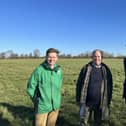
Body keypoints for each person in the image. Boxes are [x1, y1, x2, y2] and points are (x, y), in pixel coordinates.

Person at [76, 49, 113, 126]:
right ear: (92, 57)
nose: (97, 58)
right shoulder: (86, 68)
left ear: (101, 57)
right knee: (84, 123)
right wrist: (78, 98)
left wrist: (108, 100)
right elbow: (79, 84)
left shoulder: (106, 70)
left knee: (98, 123)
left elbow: (110, 87)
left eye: (98, 56)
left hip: (100, 104)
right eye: (95, 56)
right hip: (86, 103)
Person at [27, 48, 63, 126]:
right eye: (49, 57)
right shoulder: (39, 70)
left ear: (57, 58)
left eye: (54, 57)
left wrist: (58, 98)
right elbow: (30, 86)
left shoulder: (59, 70)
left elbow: (59, 85)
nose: (52, 59)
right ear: (46, 57)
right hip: (42, 106)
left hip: (55, 106)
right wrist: (36, 100)